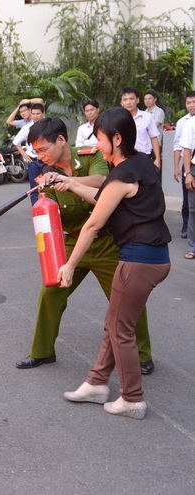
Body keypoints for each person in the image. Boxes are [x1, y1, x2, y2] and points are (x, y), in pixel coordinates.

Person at [15, 117, 154, 376]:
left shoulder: (90, 155)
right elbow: (49, 217)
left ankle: (143, 354)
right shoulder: (46, 176)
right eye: (36, 151)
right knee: (50, 292)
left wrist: (70, 183)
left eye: (43, 149)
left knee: (127, 298)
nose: (40, 155)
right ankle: (42, 351)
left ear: (61, 140)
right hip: (72, 242)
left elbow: (104, 180)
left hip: (106, 243)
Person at [56, 107, 171, 420]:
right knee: (116, 322)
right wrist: (73, 185)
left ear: (117, 139)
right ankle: (95, 383)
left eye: (100, 138)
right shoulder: (140, 164)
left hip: (138, 260)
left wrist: (69, 265)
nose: (96, 143)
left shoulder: (122, 174)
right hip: (154, 258)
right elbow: (105, 197)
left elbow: (94, 224)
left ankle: (132, 399)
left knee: (120, 330)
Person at [172, 91, 195, 239]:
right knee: (188, 199)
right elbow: (178, 147)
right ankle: (186, 226)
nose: (191, 105)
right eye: (189, 103)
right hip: (188, 165)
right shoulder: (183, 122)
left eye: (194, 102)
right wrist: (176, 167)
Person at [12, 102, 45, 204]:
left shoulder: (48, 126)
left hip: (47, 161)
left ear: (43, 114)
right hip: (33, 162)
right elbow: (16, 142)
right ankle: (37, 212)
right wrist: (24, 154)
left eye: (38, 114)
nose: (35, 116)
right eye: (33, 114)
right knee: (34, 189)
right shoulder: (27, 128)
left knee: (49, 186)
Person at [120, 87, 160, 169]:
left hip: (143, 158)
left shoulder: (147, 117)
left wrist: (157, 159)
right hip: (124, 159)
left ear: (137, 100)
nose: (128, 102)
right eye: (125, 99)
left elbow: (154, 138)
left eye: (131, 99)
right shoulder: (118, 119)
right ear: (121, 103)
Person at [178, 104, 195, 260]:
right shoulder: (192, 123)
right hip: (194, 170)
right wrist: (188, 173)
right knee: (193, 210)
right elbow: (187, 150)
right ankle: (193, 247)